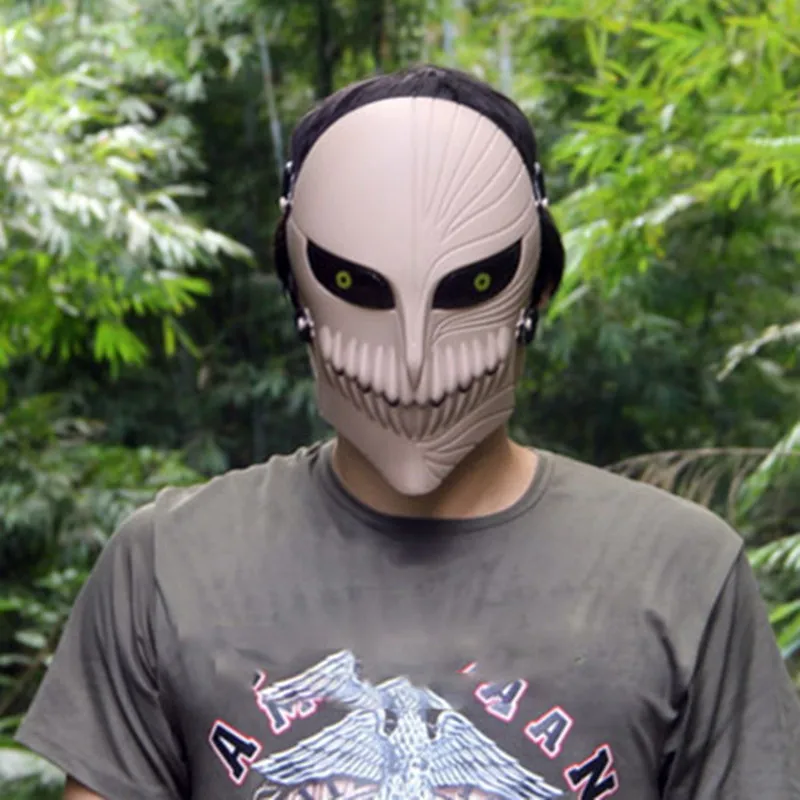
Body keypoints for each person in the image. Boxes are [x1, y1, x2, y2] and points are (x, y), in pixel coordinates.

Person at [16, 65, 800, 800]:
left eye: (474, 283)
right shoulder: (167, 563)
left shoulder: (683, 571)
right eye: (354, 282)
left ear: (538, 287)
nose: (417, 358)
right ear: (298, 291)